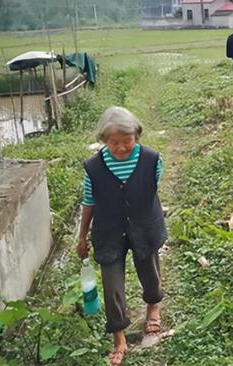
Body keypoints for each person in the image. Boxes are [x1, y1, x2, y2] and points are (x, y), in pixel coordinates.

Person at [77, 107, 166, 366]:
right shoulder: (93, 167)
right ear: (104, 141)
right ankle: (119, 337)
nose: (121, 147)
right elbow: (89, 201)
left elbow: (151, 190)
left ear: (136, 137)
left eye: (127, 141)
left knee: (149, 270)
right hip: (108, 230)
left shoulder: (151, 159)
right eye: (114, 143)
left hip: (144, 225)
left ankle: (153, 307)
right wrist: (82, 236)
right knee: (112, 284)